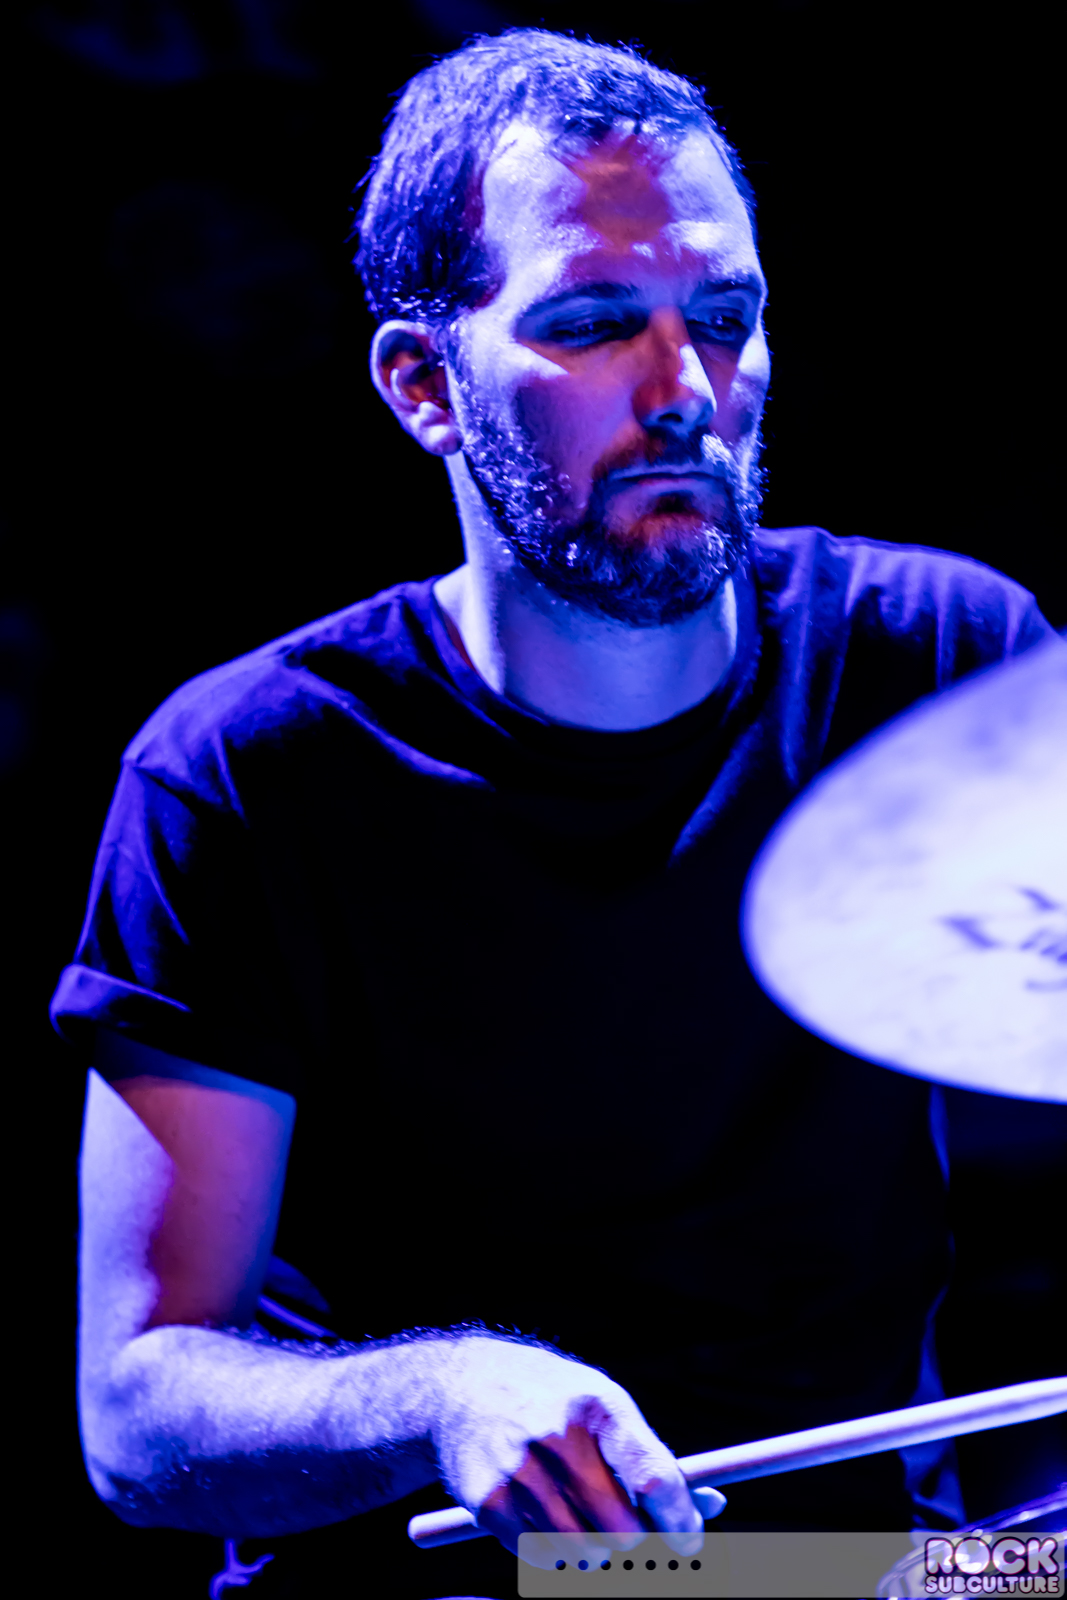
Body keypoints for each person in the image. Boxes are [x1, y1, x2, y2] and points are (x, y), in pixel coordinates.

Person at [55, 28, 1053, 1599]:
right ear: (424, 386)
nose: (686, 393)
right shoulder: (244, 772)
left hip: (857, 1575)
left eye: (723, 319)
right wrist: (448, 1398)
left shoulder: (943, 660)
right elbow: (135, 1414)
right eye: (594, 326)